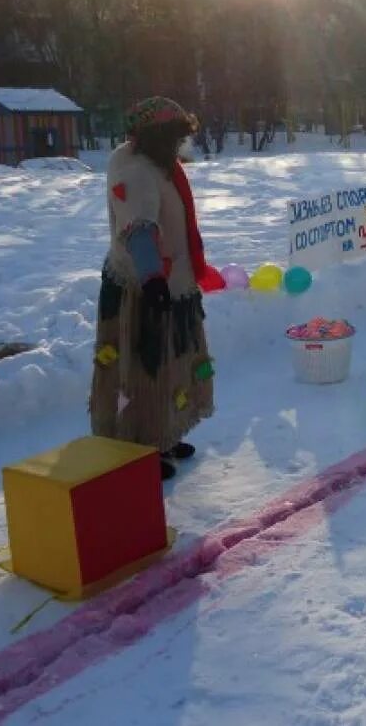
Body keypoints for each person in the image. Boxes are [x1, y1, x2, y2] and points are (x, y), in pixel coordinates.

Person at [89, 97, 225, 480]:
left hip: (173, 283)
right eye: (173, 137)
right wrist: (152, 280)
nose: (179, 145)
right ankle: (139, 444)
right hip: (143, 289)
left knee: (172, 365)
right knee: (144, 368)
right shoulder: (134, 170)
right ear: (153, 137)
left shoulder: (157, 164)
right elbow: (139, 229)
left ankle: (162, 434)